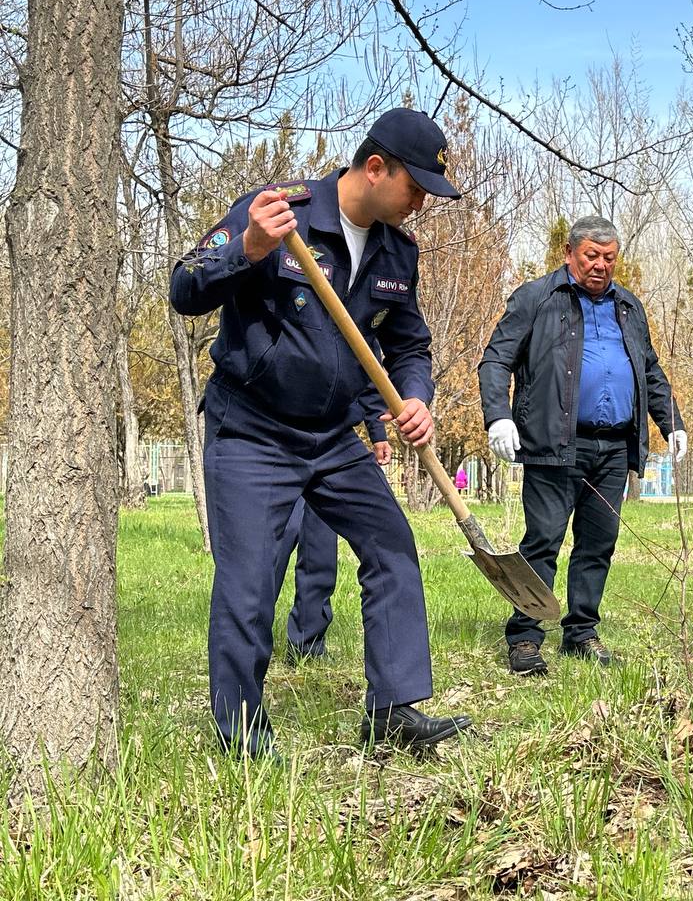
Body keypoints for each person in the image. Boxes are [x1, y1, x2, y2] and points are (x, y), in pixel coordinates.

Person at [170, 107, 472, 757]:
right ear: (373, 167)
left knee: (393, 549)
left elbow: (411, 344)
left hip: (334, 438)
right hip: (252, 428)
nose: (420, 203)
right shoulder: (278, 213)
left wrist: (415, 398)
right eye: (415, 187)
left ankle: (392, 711)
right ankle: (240, 734)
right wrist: (248, 248)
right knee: (249, 583)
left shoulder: (398, 252)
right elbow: (185, 285)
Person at [478, 216, 687, 676]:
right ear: (570, 253)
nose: (600, 265)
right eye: (592, 255)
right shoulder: (537, 298)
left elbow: (649, 370)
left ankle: (581, 631)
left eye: (609, 258)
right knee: (543, 541)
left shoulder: (629, 307)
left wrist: (671, 422)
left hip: (613, 449)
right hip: (554, 443)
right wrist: (499, 416)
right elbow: (496, 359)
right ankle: (526, 638)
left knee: (598, 543)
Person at [274, 385, 393, 662]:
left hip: (328, 445)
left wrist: (377, 432)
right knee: (271, 549)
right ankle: (248, 648)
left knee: (320, 550)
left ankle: (307, 645)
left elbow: (366, 371)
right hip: (274, 440)